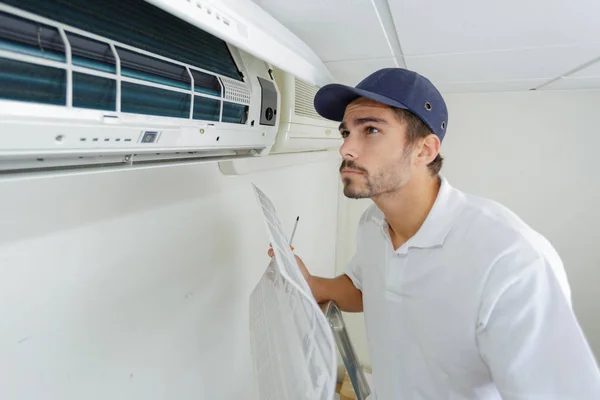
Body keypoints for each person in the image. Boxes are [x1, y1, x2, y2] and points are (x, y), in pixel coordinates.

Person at [268, 68, 600, 399]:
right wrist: (311, 284)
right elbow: (365, 288)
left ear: (425, 150)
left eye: (370, 130)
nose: (346, 149)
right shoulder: (373, 224)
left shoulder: (511, 260)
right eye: (345, 133)